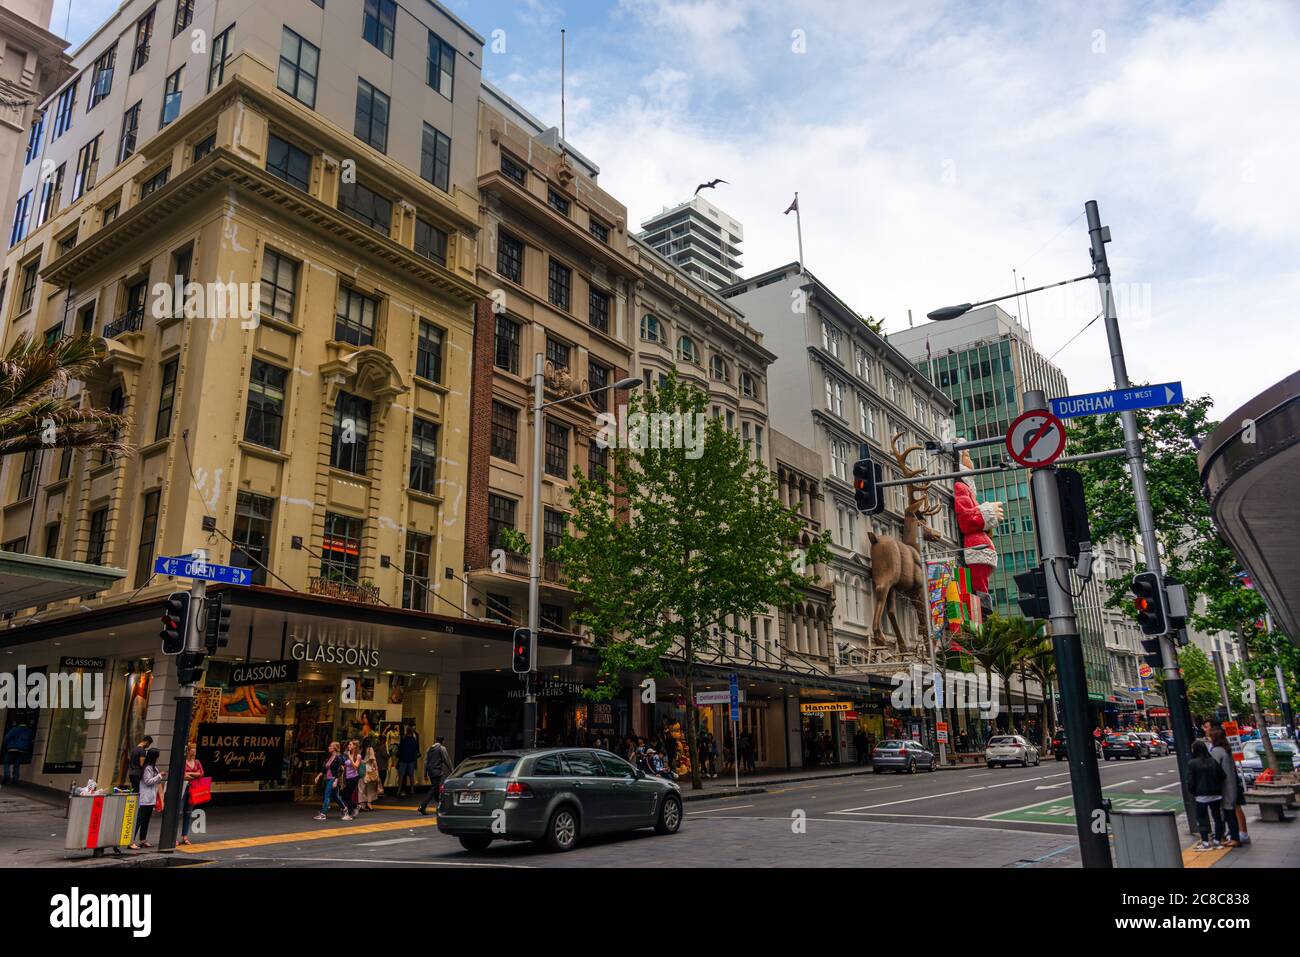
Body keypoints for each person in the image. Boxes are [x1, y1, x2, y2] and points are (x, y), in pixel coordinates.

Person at [1209, 728, 1247, 847]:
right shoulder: (1226, 750)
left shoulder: (1217, 751)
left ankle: (1233, 838)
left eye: (1210, 737)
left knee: (1227, 814)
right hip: (1231, 785)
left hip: (1224, 787)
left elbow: (1213, 769)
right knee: (1230, 812)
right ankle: (1234, 838)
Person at [1187, 740, 1226, 850]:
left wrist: (1194, 793)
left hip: (1201, 796)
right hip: (1216, 794)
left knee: (1202, 818)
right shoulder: (1212, 761)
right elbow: (1222, 776)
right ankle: (1217, 839)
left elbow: (1190, 781)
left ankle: (1205, 842)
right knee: (1217, 817)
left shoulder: (1192, 763)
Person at [131, 749, 165, 849]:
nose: (158, 758)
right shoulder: (147, 768)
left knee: (146, 821)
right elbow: (147, 781)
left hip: (151, 798)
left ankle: (142, 840)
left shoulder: (154, 768)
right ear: (154, 757)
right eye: (157, 756)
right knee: (139, 820)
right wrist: (160, 776)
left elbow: (156, 783)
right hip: (144, 798)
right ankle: (131, 841)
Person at [418, 735, 452, 815]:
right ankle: (422, 806)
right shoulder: (442, 748)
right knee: (434, 789)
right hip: (437, 771)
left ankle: (441, 806)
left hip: (430, 771)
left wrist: (425, 774)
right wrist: (452, 771)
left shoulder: (429, 749)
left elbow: (426, 762)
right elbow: (447, 760)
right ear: (442, 741)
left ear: (435, 740)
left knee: (436, 789)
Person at [314, 742, 348, 820]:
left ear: (335, 748)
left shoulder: (338, 758)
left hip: (333, 779)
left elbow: (338, 771)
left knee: (327, 795)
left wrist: (336, 781)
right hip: (328, 778)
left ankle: (323, 813)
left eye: (331, 746)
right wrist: (318, 776)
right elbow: (324, 769)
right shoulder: (329, 757)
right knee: (335, 796)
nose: (329, 747)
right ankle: (345, 809)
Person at [178, 743, 204, 846]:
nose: (195, 751)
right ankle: (173, 837)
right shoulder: (183, 762)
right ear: (188, 751)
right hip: (183, 789)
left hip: (193, 790)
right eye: (193, 749)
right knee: (179, 813)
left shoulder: (197, 762)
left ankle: (185, 836)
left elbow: (201, 774)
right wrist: (195, 774)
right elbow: (183, 776)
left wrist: (190, 774)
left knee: (188, 813)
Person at [2, 720, 32, 785]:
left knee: (7, 762)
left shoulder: (16, 729)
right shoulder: (28, 731)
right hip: (22, 750)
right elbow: (30, 741)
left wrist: (6, 744)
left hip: (13, 748)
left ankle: (7, 775)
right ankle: (15, 779)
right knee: (17, 764)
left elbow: (7, 737)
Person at [338, 740, 362, 820]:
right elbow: (346, 765)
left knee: (347, 795)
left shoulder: (358, 756)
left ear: (355, 746)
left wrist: (350, 757)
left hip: (354, 778)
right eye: (348, 744)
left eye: (350, 744)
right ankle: (356, 806)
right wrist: (343, 767)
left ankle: (351, 813)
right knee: (344, 795)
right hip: (347, 778)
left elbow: (355, 767)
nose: (348, 746)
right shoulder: (347, 754)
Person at [397, 726, 420, 797]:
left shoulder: (403, 739)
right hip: (411, 760)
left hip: (403, 759)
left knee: (401, 775)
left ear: (406, 732)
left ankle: (399, 790)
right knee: (411, 775)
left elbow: (400, 749)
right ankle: (412, 790)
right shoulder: (414, 740)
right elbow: (416, 750)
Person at [357, 745, 381, 812]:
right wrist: (376, 768)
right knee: (370, 788)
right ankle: (369, 803)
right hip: (368, 768)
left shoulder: (360, 749)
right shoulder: (370, 749)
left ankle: (362, 804)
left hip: (361, 768)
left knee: (361, 788)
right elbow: (373, 760)